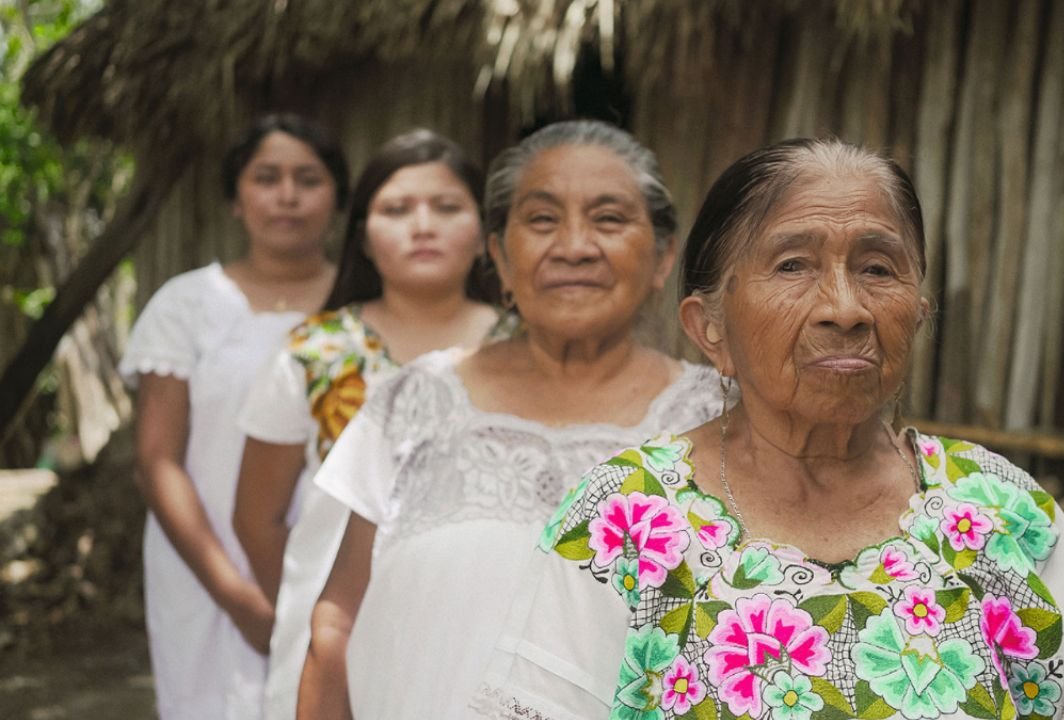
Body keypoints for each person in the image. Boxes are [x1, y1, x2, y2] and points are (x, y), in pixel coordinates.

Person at [477, 139, 1064, 720]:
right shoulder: (625, 522)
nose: (845, 308)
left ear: (919, 312)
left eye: (878, 268)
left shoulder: (1000, 509)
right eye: (793, 265)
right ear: (710, 327)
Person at [296, 120, 724, 720]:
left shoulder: (721, 418)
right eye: (543, 220)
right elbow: (336, 620)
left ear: (662, 255)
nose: (574, 246)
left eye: (608, 219)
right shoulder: (415, 398)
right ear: (498, 253)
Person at [231, 129, 501, 720]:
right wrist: (320, 604)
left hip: (493, 633)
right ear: (364, 237)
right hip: (334, 641)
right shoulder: (313, 352)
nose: (423, 225)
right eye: (397, 209)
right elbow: (256, 516)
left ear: (486, 235)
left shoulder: (526, 349)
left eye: (448, 207)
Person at [119, 113, 349, 719]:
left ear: (339, 198)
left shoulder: (363, 308)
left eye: (309, 178)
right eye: (266, 177)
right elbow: (157, 459)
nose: (288, 195)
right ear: (234, 200)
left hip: (340, 570)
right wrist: (237, 595)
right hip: (207, 564)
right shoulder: (188, 305)